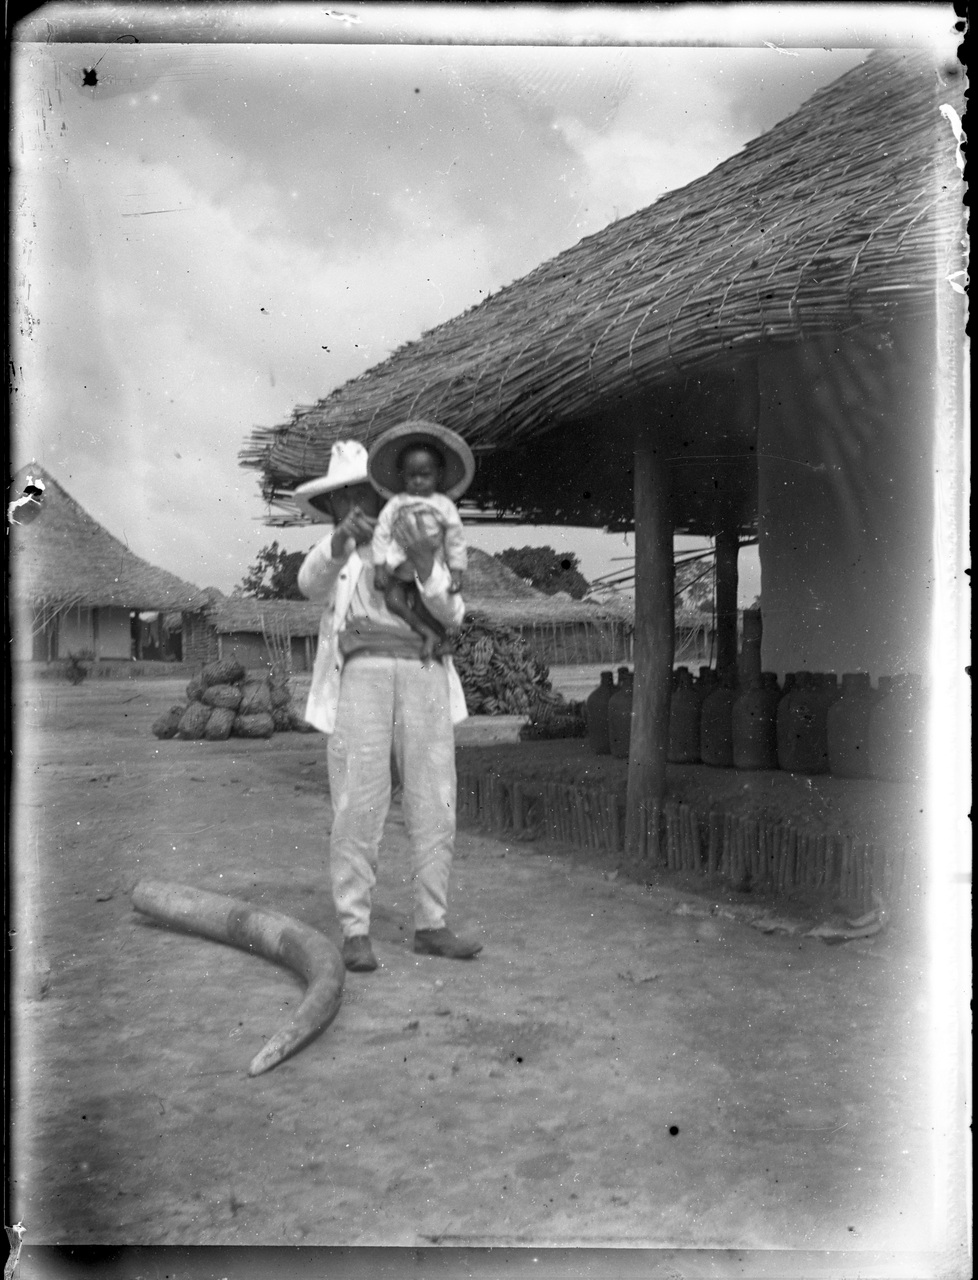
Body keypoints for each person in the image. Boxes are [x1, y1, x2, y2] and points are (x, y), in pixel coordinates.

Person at [292, 434, 482, 973]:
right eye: (340, 499)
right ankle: (355, 930)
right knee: (358, 799)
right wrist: (337, 544)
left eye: (361, 494)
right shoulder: (340, 550)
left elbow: (452, 616)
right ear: (329, 506)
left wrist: (426, 566)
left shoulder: (414, 530)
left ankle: (432, 924)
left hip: (423, 670)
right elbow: (308, 584)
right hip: (364, 672)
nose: (352, 506)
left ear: (382, 492)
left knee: (434, 795)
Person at [367, 421, 474, 665]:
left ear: (438, 476)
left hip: (429, 566)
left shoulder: (443, 505)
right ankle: (425, 633)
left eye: (424, 475)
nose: (417, 482)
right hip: (399, 566)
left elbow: (455, 539)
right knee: (393, 601)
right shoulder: (396, 503)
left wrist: (456, 572)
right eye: (411, 476)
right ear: (402, 478)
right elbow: (382, 532)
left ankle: (438, 638)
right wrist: (380, 566)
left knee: (427, 605)